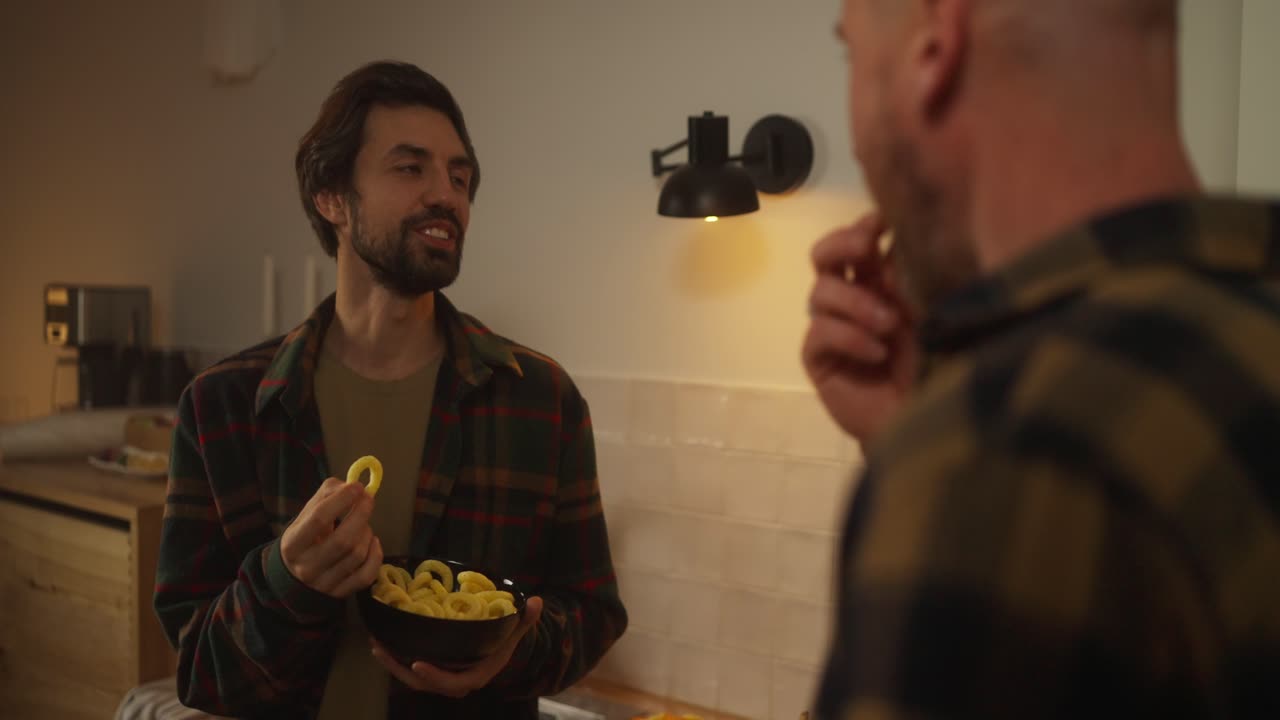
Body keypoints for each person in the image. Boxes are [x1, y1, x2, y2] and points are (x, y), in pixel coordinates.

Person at [805, 1, 1280, 717]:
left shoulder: (1003, 449)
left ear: (936, 45)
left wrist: (944, 451)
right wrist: (912, 420)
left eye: (852, 53)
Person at [154, 60, 627, 719]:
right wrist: (285, 582)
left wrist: (509, 654)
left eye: (460, 177)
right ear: (331, 196)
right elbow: (199, 671)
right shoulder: (222, 407)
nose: (447, 195)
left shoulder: (540, 401)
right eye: (411, 169)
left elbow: (593, 612)